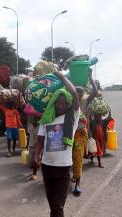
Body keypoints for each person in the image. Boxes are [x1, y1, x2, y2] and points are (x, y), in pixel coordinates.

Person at [34, 70, 80, 217]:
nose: (60, 105)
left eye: (64, 103)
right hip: (47, 166)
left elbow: (74, 94)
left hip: (64, 167)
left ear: (68, 105)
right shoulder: (46, 119)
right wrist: (36, 154)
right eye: (58, 102)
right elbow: (40, 139)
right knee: (53, 205)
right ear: (54, 102)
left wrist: (62, 77)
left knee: (58, 206)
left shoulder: (71, 117)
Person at [71, 71, 98, 195]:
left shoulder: (85, 102)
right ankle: (72, 176)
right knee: (69, 159)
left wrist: (90, 77)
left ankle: (77, 184)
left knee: (78, 159)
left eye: (79, 93)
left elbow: (95, 92)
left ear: (82, 95)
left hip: (80, 135)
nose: (77, 95)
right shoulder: (67, 102)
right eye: (75, 93)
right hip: (68, 135)